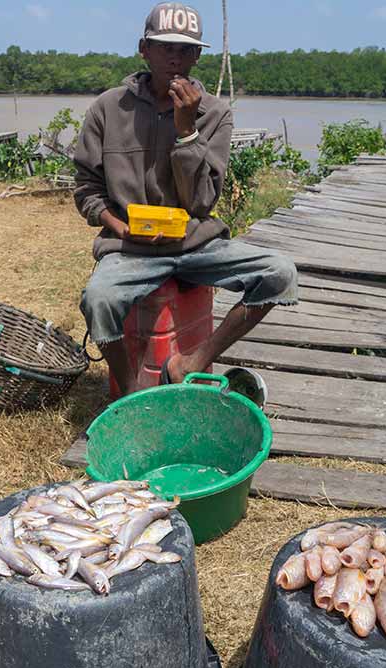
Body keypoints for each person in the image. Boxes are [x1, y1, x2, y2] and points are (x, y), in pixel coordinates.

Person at [75, 1, 297, 396]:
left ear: (197, 55)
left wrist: (186, 131)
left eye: (186, 49)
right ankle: (128, 394)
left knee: (280, 273)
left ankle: (190, 364)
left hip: (194, 243)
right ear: (144, 49)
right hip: (129, 247)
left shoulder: (214, 113)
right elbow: (87, 190)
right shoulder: (107, 109)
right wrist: (118, 225)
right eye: (164, 46)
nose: (175, 57)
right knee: (98, 298)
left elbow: (201, 204)